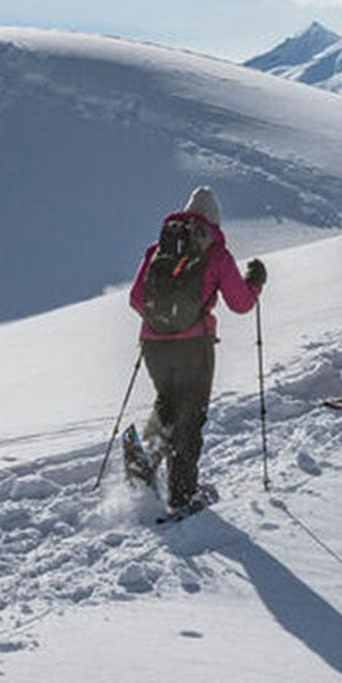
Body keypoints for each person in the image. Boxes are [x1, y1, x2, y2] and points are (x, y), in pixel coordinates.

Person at [128, 185, 265, 511]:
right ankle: (183, 495)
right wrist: (256, 282)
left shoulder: (158, 248)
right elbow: (241, 303)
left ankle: (146, 460)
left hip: (153, 344)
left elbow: (135, 298)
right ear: (214, 219)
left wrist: (162, 321)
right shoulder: (216, 253)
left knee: (167, 402)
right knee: (190, 416)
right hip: (194, 345)